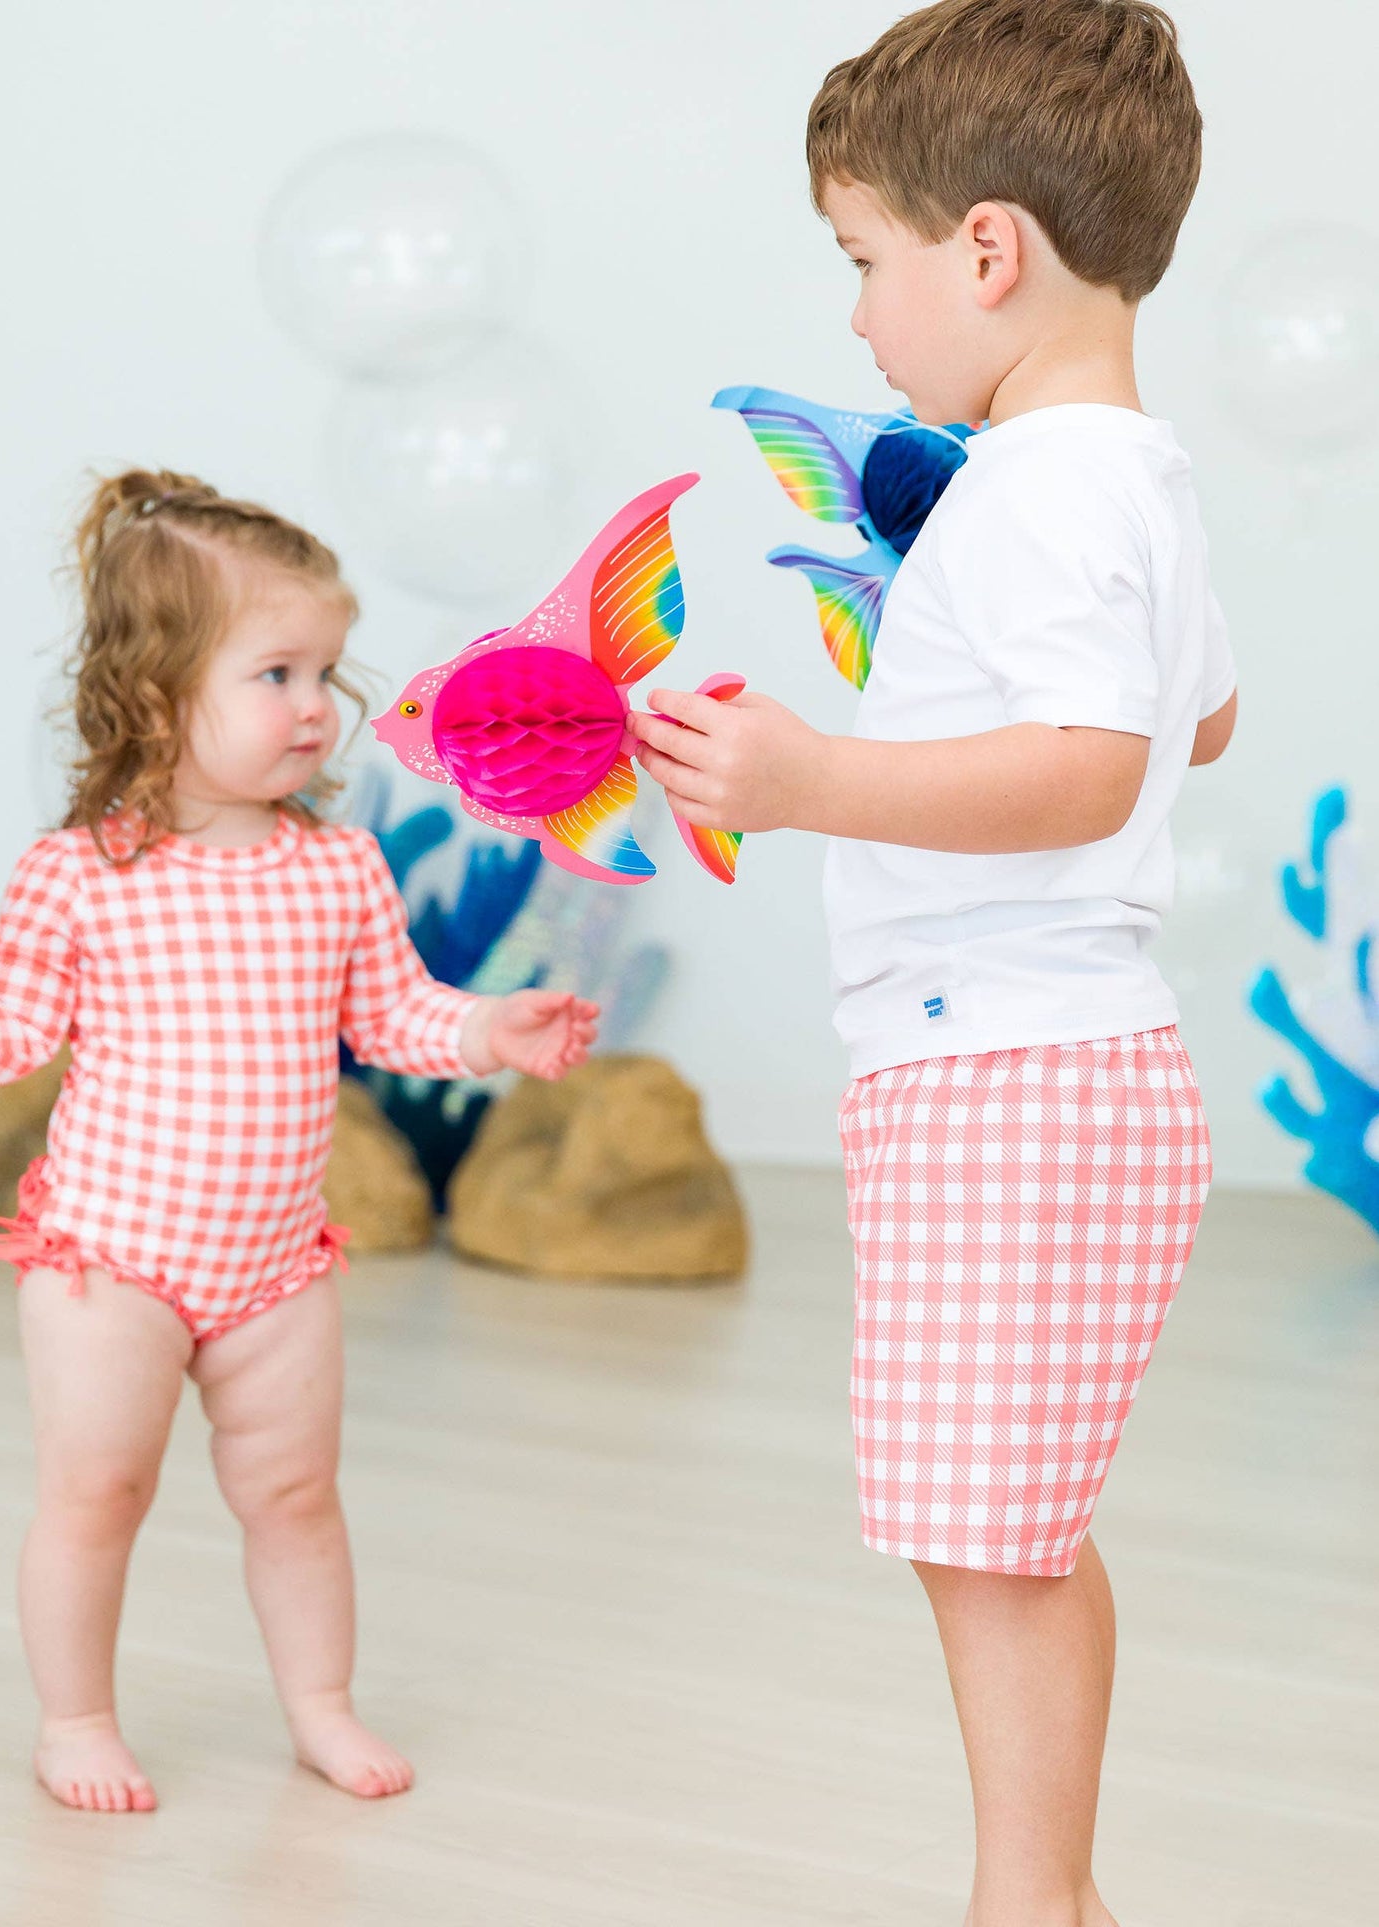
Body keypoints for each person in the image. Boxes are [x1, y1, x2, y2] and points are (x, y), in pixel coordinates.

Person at [631, 5, 1235, 1922]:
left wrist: (811, 776)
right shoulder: (1124, 470)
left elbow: (1093, 766)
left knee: (990, 1538)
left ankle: (1027, 1903)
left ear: (985, 252)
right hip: (1035, 1068)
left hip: (1007, 1077)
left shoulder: (1040, 486)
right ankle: (1043, 1895)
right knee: (1001, 1528)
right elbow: (1200, 718)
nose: (856, 317)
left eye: (861, 260)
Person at [0, 469, 598, 1814]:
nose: (314, 707)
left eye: (325, 674)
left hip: (277, 1268)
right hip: (111, 1259)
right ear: (154, 694)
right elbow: (4, 1035)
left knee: (297, 1496)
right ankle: (76, 1719)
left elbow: (393, 1016)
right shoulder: (79, 873)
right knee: (98, 1493)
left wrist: (488, 1030)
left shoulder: (336, 868)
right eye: (275, 673)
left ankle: (320, 1706)